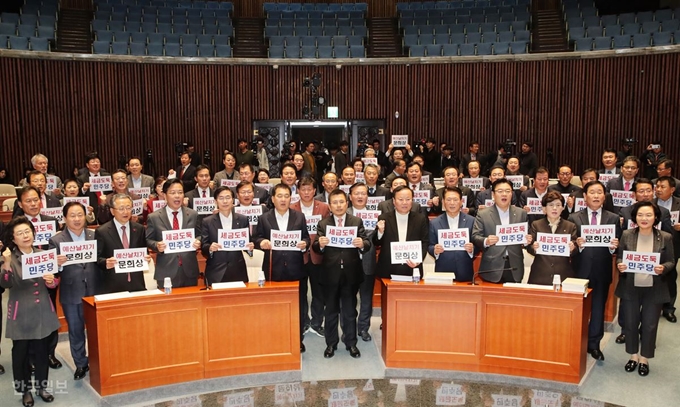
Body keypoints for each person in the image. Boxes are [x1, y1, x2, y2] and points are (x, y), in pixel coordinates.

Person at [1, 216, 61, 405]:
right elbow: (5, 283)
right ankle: (24, 390)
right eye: (20, 233)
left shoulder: (42, 253)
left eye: (27, 231)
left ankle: (41, 387)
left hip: (42, 309)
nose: (25, 235)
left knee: (42, 352)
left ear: (34, 233)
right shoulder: (9, 258)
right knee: (21, 354)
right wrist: (6, 263)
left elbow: (54, 283)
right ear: (13, 238)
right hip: (21, 313)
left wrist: (52, 280)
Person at [616, 201, 675, 377]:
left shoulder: (665, 237)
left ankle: (644, 358)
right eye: (640, 215)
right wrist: (621, 265)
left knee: (649, 325)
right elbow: (620, 257)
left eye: (649, 215)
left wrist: (663, 268)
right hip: (630, 287)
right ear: (635, 217)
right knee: (631, 324)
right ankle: (633, 356)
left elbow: (671, 261)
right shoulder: (627, 235)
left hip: (654, 288)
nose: (644, 218)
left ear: (656, 217)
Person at [314, 189, 371, 359]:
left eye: (341, 202)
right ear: (329, 206)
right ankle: (331, 344)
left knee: (349, 311)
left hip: (351, 273)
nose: (338, 205)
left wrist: (362, 244)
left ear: (347, 204)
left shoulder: (356, 221)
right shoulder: (323, 224)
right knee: (330, 311)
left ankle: (351, 343)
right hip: (330, 274)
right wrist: (321, 244)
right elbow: (316, 247)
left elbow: (366, 242)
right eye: (334, 203)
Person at [253, 183, 310, 352]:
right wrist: (261, 242)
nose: (283, 199)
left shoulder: (299, 217)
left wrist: (304, 244)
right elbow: (256, 238)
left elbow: (306, 238)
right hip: (273, 268)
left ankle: (297, 339)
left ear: (290, 198)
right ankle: (275, 337)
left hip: (295, 268)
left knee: (297, 306)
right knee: (274, 306)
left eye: (286, 196)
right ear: (272, 198)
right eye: (279, 196)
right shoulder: (264, 218)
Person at [568, 180, 621, 361]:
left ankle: (594, 344)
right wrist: (577, 245)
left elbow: (618, 246)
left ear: (604, 197)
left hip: (602, 269)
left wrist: (614, 247)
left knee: (598, 308)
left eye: (600, 192)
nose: (596, 196)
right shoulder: (574, 218)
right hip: (578, 270)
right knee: (578, 308)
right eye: (592, 192)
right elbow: (569, 245)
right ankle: (576, 343)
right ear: (584, 196)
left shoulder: (613, 218)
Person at [48, 202, 100, 381]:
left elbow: (100, 261)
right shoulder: (56, 240)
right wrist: (57, 263)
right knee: (76, 331)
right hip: (71, 292)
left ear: (85, 216)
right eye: (72, 215)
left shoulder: (95, 235)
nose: (77, 219)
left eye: (80, 215)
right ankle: (80, 364)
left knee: (96, 330)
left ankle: (97, 362)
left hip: (95, 290)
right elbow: (51, 271)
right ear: (64, 218)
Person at [290, 176, 330, 337]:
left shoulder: (324, 207)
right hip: (297, 257)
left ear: (315, 191)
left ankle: (317, 322)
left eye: (309, 189)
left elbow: (328, 229)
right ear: (298, 191)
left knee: (318, 292)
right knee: (300, 291)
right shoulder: (291, 208)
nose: (306, 192)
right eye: (303, 189)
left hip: (318, 256)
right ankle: (304, 322)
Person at [472, 178, 532, 283]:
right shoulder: (483, 214)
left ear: (512, 194)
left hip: (514, 266)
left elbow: (526, 235)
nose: (504, 194)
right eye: (500, 191)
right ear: (493, 195)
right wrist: (486, 241)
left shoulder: (521, 213)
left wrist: (527, 241)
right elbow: (475, 236)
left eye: (508, 191)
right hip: (492, 266)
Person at [146, 178, 201, 288]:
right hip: (166, 271)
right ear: (165, 196)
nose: (177, 196)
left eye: (180, 192)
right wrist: (156, 245)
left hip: (189, 270)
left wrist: (198, 241)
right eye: (173, 193)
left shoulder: (193, 214)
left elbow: (200, 235)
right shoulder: (154, 217)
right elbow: (148, 240)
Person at [96, 194, 150, 293]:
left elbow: (144, 251)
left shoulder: (139, 228)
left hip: (137, 285)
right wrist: (106, 262)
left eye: (128, 208)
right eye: (121, 208)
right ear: (112, 211)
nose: (125, 212)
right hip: (114, 285)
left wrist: (147, 258)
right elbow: (97, 258)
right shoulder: (102, 231)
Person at [200, 186, 253, 285]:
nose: (225, 201)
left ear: (233, 200)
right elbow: (204, 246)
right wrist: (210, 248)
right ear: (215, 201)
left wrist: (250, 249)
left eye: (228, 198)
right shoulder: (207, 221)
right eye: (221, 198)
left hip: (238, 270)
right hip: (215, 271)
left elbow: (248, 243)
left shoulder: (243, 220)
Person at [374, 185, 429, 279]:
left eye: (408, 199)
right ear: (394, 201)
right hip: (388, 269)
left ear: (412, 200)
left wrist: (418, 260)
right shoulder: (384, 218)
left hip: (412, 267)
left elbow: (425, 242)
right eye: (400, 199)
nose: (404, 203)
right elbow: (376, 242)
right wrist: (380, 232)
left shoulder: (420, 219)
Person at [346, 183, 378, 341]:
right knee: (347, 299)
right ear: (350, 197)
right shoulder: (343, 215)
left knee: (366, 298)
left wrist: (381, 231)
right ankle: (348, 330)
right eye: (356, 194)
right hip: (347, 263)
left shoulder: (376, 216)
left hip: (367, 262)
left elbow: (379, 241)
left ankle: (363, 328)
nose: (360, 197)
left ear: (367, 196)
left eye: (363, 194)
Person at [526, 192, 577, 285]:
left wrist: (572, 248)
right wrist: (533, 247)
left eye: (558, 205)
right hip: (540, 275)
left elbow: (576, 249)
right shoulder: (536, 225)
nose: (554, 208)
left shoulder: (570, 226)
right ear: (544, 209)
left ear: (563, 208)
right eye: (551, 205)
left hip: (563, 275)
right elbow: (529, 247)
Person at [428, 187, 476, 281]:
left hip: (465, 271)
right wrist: (435, 250)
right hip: (443, 272)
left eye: (455, 199)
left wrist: (472, 249)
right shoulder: (434, 222)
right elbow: (429, 245)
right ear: (443, 202)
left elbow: (477, 242)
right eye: (449, 200)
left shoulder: (472, 221)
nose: (452, 203)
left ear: (461, 201)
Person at [654, 176, 680, 323]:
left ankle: (669, 308)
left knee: (669, 276)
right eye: (657, 186)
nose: (658, 189)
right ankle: (653, 306)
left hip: (673, 245)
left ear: (672, 189)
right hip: (651, 246)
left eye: (662, 187)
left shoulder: (679, 203)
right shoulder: (650, 204)